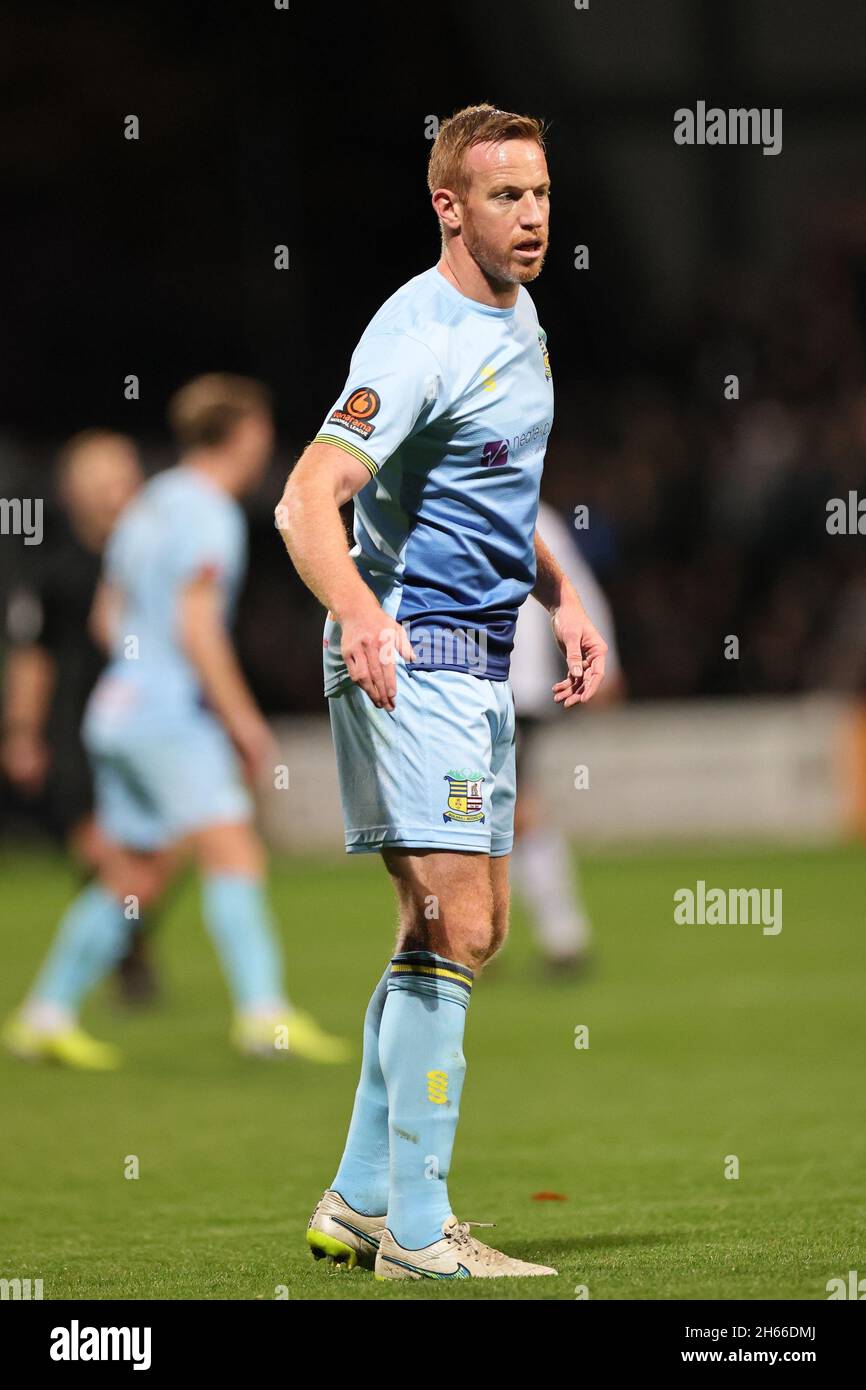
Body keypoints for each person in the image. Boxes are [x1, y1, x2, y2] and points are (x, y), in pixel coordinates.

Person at [276, 105, 607, 1280]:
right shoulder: (413, 337)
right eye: (505, 198)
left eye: (540, 195)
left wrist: (558, 592)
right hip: (405, 658)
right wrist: (363, 617)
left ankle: (360, 1201)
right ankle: (418, 1232)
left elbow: (498, 486)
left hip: (479, 659)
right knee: (453, 923)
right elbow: (305, 498)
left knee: (468, 930)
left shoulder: (521, 321)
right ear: (447, 206)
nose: (530, 218)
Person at [4, 375, 349, 1069]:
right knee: (235, 851)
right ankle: (263, 1016)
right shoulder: (209, 512)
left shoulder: (151, 502)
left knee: (135, 876)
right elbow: (198, 630)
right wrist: (243, 721)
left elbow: (108, 619)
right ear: (245, 434)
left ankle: (44, 1015)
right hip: (167, 716)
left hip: (117, 711)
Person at [1, 430, 158, 1002]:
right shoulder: (54, 576)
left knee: (154, 855)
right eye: (99, 483)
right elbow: (32, 660)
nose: (114, 494)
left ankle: (127, 946)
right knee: (102, 853)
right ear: (72, 494)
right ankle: (70, 992)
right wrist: (22, 733)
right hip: (73, 731)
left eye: (121, 479)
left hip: (149, 727)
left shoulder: (156, 564)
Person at [510, 499, 624, 973]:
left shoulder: (526, 508)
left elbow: (568, 585)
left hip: (508, 683)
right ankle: (476, 935)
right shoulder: (522, 504)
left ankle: (561, 933)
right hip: (492, 682)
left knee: (503, 806)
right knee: (490, 808)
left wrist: (604, 660)